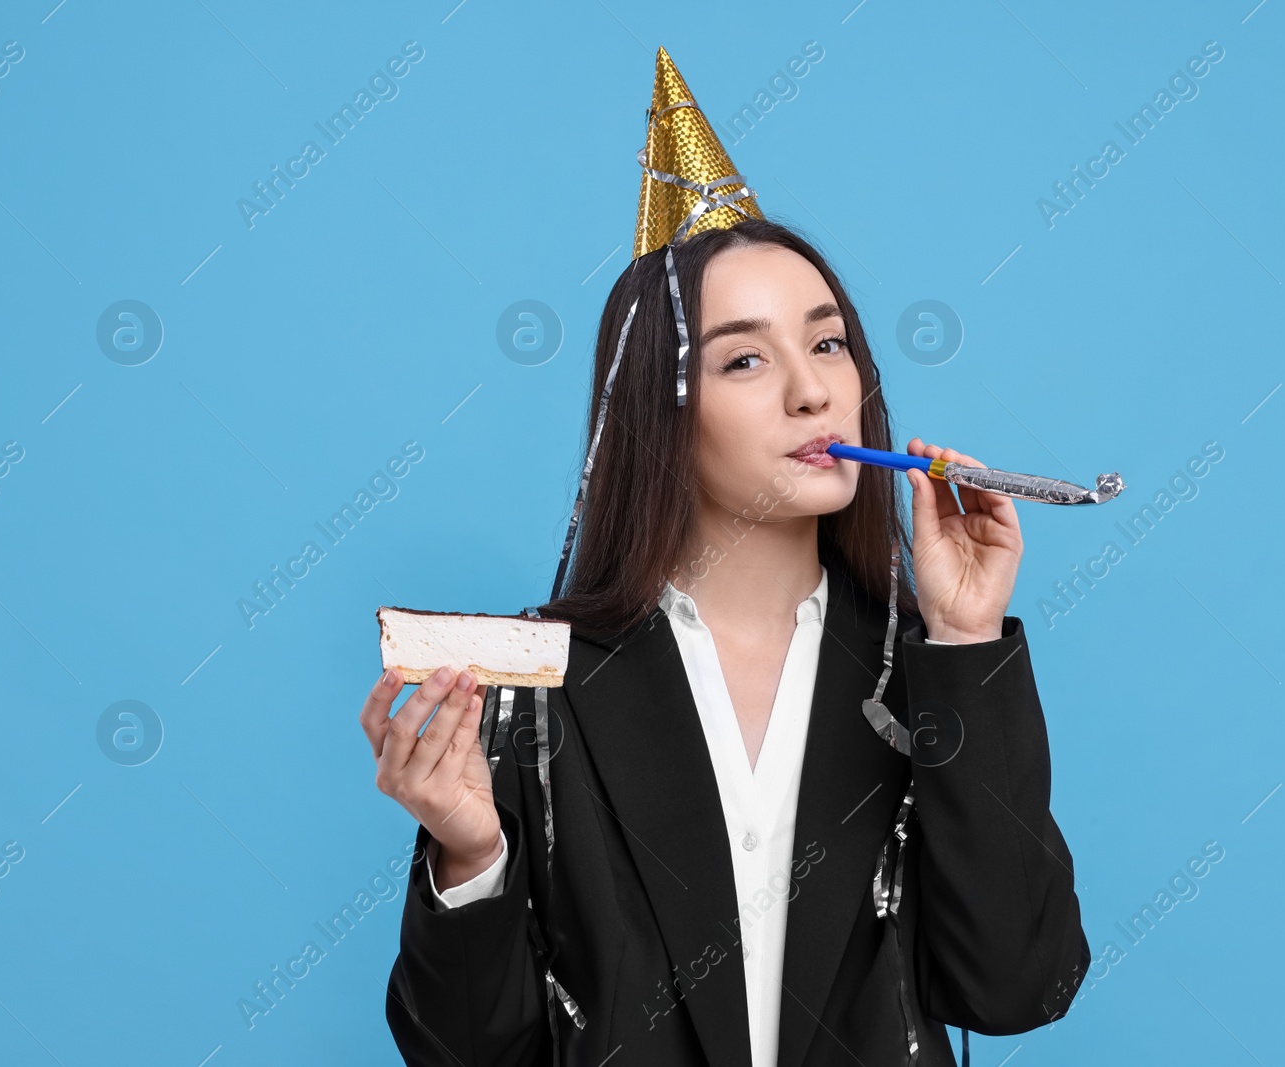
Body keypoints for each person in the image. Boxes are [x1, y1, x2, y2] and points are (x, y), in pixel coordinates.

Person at [361, 49, 1088, 1067]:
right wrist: (472, 856)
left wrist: (963, 637)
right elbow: (466, 1053)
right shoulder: (530, 678)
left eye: (828, 343)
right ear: (658, 412)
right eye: (745, 357)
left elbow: (1018, 986)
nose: (812, 391)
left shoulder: (921, 666)